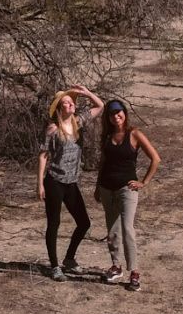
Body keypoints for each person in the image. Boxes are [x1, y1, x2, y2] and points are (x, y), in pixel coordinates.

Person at [37, 84, 104, 281]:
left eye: (71, 102)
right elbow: (43, 156)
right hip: (54, 181)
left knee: (84, 223)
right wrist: (40, 183)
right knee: (54, 224)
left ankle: (69, 259)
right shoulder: (52, 129)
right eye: (65, 103)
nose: (70, 104)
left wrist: (86, 93)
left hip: (72, 183)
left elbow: (100, 107)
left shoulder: (78, 122)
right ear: (58, 108)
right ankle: (54, 266)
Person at [95, 98, 161, 292]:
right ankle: (116, 266)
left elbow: (155, 159)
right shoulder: (107, 136)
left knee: (127, 229)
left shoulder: (134, 134)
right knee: (112, 230)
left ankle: (134, 271)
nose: (116, 116)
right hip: (107, 188)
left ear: (124, 112)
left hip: (127, 189)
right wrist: (98, 186)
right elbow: (103, 163)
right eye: (112, 114)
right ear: (108, 117)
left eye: (119, 112)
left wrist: (144, 182)